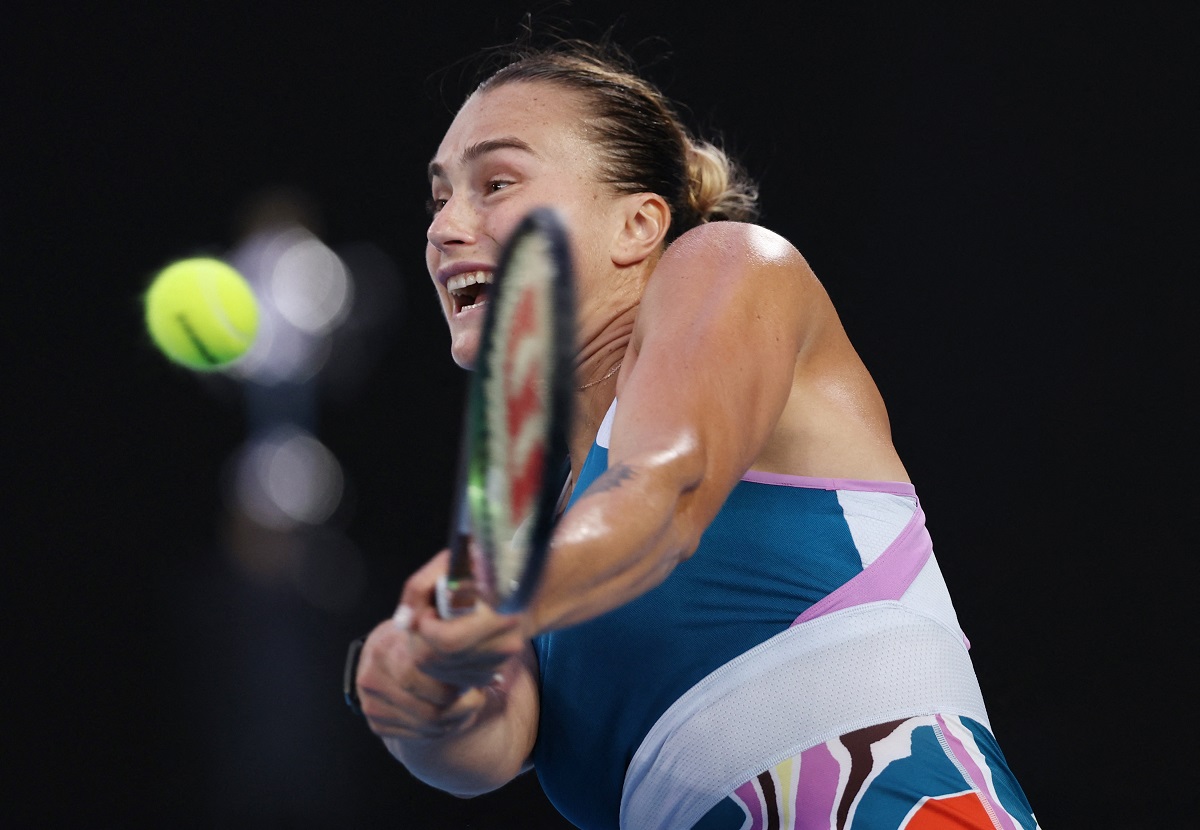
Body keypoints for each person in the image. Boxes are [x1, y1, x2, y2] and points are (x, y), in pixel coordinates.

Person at [351, 39, 1042, 830]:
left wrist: (493, 600)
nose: (445, 228)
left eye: (496, 183)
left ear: (638, 223)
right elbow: (486, 751)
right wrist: (424, 690)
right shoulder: (542, 530)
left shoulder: (733, 264)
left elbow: (663, 495)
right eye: (439, 200)